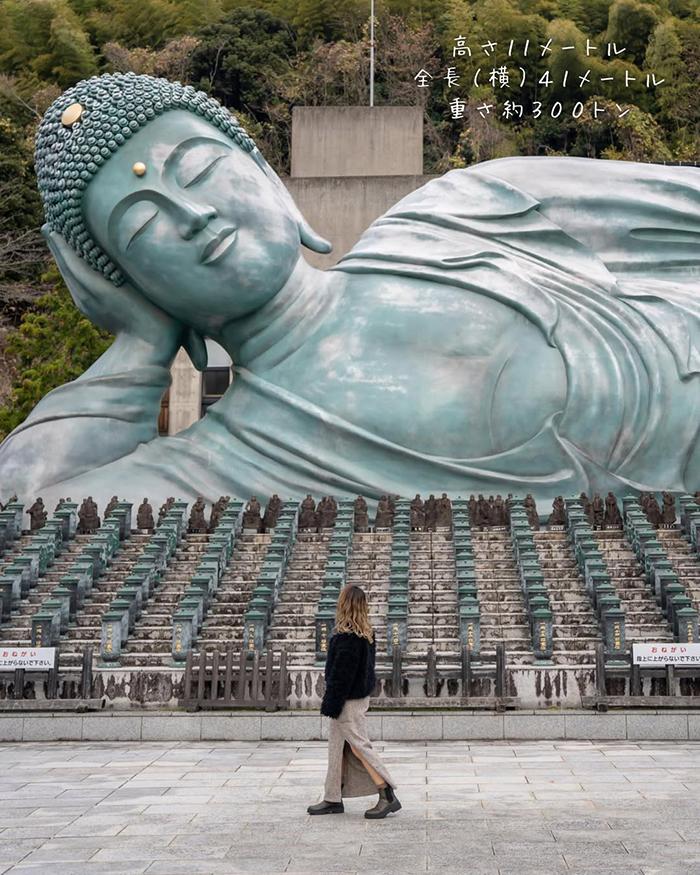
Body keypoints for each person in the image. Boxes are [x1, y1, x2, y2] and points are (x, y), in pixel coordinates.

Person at [3, 72, 699, 512]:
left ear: (268, 175)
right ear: (131, 284)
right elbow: (24, 510)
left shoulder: (473, 211)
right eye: (142, 225)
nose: (193, 216)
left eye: (198, 167)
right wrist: (139, 347)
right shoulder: (224, 461)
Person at [308, 585, 400, 820]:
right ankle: (332, 797)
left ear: (344, 604)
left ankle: (386, 792)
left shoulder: (347, 637)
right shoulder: (364, 633)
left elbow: (342, 675)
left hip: (345, 701)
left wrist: (332, 702)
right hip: (356, 697)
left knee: (359, 747)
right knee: (337, 748)